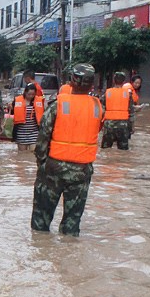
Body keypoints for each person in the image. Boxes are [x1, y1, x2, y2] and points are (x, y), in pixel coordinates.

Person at [31, 63, 104, 237]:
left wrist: (42, 164)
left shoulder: (58, 105)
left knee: (41, 220)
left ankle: (40, 253)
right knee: (72, 223)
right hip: (82, 170)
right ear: (91, 84)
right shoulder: (98, 107)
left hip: (53, 168)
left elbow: (42, 138)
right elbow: (96, 130)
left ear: (72, 81)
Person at [100, 72, 133, 150]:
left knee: (105, 148)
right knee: (123, 150)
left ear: (114, 81)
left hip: (109, 125)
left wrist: (100, 124)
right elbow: (131, 112)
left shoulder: (107, 92)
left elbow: (101, 108)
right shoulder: (128, 94)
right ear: (123, 82)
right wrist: (131, 127)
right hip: (123, 125)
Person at [12, 83, 42, 151]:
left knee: (33, 154)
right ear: (25, 92)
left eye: (33, 94)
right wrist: (10, 108)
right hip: (21, 133)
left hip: (34, 133)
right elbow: (12, 112)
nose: (31, 96)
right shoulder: (17, 100)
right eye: (29, 94)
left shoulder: (39, 101)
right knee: (22, 155)